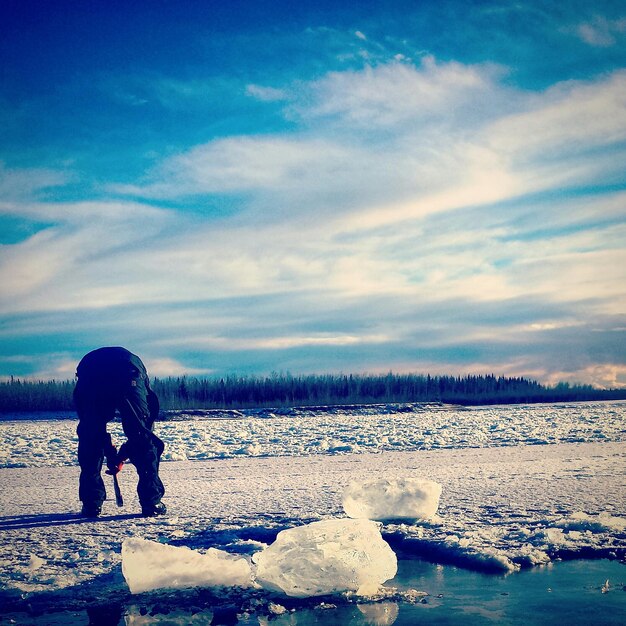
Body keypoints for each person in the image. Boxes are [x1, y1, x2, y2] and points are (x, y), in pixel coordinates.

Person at [73, 347, 166, 517]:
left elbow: (92, 429)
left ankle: (91, 504)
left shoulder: (90, 365)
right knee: (142, 437)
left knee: (90, 437)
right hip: (128, 372)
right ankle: (151, 502)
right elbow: (143, 429)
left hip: (90, 374)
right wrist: (121, 454)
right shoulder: (136, 367)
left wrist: (114, 453)